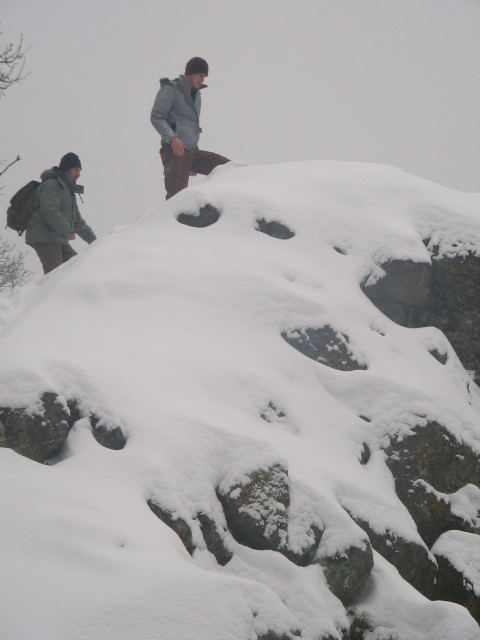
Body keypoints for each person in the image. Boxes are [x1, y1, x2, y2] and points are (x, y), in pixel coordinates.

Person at [151, 57, 230, 199]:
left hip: (192, 152)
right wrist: (172, 138)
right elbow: (156, 117)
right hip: (175, 152)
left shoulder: (197, 96)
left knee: (227, 167)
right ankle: (167, 221)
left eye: (204, 77)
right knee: (177, 198)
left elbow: (191, 126)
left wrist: (192, 158)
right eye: (200, 75)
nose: (202, 80)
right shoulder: (171, 89)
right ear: (190, 73)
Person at [26, 153, 97, 274]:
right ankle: (46, 293)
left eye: (79, 170)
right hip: (45, 236)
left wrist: (95, 242)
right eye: (75, 170)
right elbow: (49, 210)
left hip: (57, 237)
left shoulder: (67, 190)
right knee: (55, 276)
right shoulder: (52, 185)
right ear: (66, 170)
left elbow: (77, 221)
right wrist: (67, 231)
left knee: (75, 267)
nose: (78, 174)